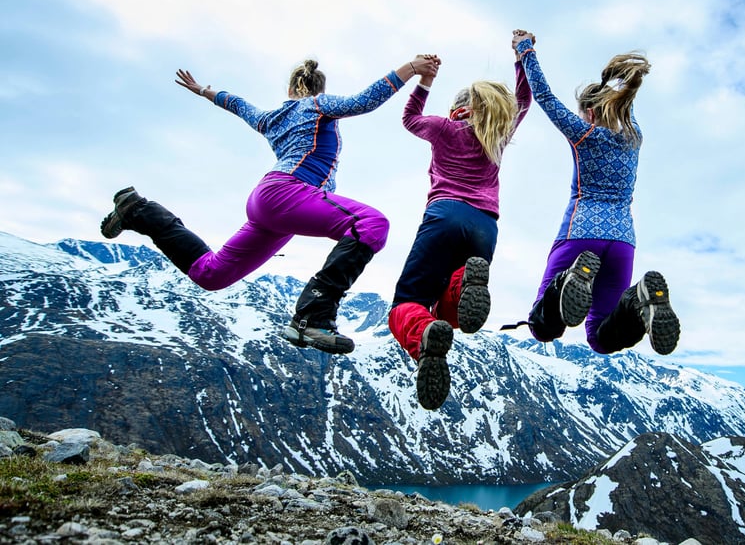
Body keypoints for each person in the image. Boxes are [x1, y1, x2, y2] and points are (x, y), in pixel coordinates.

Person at [100, 55, 439, 355]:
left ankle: (139, 211)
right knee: (371, 224)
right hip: (289, 192)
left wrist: (204, 91)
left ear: (292, 87)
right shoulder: (317, 105)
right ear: (314, 88)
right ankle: (314, 316)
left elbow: (237, 104)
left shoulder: (270, 118)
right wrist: (410, 69)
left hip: (270, 204)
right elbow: (364, 101)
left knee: (212, 274)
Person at [510, 30, 680, 357]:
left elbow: (544, 96)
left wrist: (525, 50)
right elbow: (623, 108)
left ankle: (568, 281)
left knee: (541, 326)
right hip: (622, 242)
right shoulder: (634, 137)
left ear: (588, 113)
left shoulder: (583, 135)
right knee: (601, 337)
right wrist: (618, 87)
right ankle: (638, 300)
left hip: (580, 233)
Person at [388, 41, 531, 410]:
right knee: (450, 315)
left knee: (408, 303)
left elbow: (408, 120)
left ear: (456, 109)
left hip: (444, 216)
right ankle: (464, 280)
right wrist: (522, 58)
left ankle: (422, 337)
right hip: (485, 226)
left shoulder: (443, 127)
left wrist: (423, 82)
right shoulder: (496, 132)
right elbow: (525, 101)